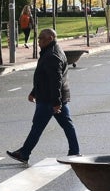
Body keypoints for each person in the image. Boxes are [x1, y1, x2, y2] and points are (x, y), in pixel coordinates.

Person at [7, 28, 80, 165]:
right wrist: (34, 92)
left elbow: (55, 81)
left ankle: (24, 153)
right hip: (53, 98)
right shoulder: (51, 51)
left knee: (37, 127)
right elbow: (44, 77)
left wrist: (56, 102)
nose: (38, 41)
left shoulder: (52, 55)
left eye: (41, 38)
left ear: (50, 38)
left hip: (49, 99)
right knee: (67, 125)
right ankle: (74, 152)